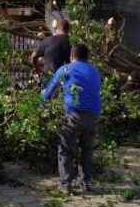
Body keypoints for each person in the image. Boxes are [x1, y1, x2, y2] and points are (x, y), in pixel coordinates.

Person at [42, 44, 102, 194]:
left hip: (74, 115)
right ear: (87, 57)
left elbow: (49, 91)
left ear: (71, 56)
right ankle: (87, 182)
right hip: (93, 116)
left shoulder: (66, 69)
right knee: (87, 150)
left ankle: (65, 185)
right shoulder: (95, 71)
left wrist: (41, 101)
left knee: (65, 149)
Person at [30, 20, 71, 84]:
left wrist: (38, 69)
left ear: (57, 28)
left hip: (48, 77)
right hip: (66, 79)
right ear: (68, 30)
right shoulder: (72, 42)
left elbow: (33, 56)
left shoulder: (48, 40)